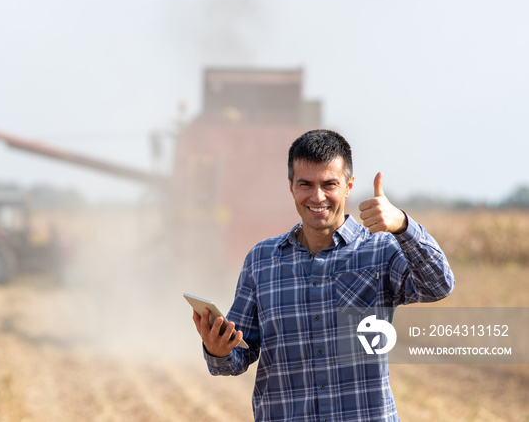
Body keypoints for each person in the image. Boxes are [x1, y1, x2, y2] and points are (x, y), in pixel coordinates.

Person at [192, 129, 455, 422]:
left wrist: (404, 226)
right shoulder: (261, 260)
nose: (318, 196)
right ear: (291, 186)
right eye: (306, 184)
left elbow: (439, 285)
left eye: (329, 184)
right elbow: (238, 356)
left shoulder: (380, 251)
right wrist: (217, 350)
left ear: (348, 186)